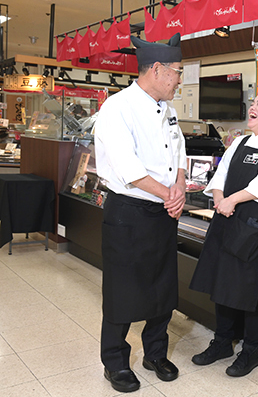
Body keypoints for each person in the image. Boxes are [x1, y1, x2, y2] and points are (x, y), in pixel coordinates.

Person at [94, 33, 186, 393]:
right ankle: (115, 362)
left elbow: (178, 151)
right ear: (158, 70)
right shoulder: (117, 107)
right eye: (178, 72)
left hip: (163, 211)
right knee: (123, 290)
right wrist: (169, 195)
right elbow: (128, 167)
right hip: (129, 212)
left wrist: (179, 186)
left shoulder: (170, 109)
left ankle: (155, 353)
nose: (179, 79)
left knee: (163, 288)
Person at [189, 91, 258, 377]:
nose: (252, 107)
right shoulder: (239, 142)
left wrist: (230, 201)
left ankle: (251, 350)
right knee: (222, 282)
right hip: (226, 219)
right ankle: (222, 342)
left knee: (248, 288)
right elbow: (220, 175)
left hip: (253, 226)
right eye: (253, 103)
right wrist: (220, 199)